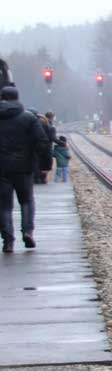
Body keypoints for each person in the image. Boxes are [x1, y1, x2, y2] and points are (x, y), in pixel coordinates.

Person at [0, 85, 53, 253]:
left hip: (2, 169)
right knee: (26, 200)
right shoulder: (29, 118)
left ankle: (8, 241)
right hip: (24, 168)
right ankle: (28, 232)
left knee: (4, 206)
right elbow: (42, 142)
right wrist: (45, 165)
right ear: (17, 98)